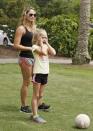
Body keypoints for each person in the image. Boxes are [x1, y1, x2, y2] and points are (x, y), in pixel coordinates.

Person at [13, 7, 50, 113]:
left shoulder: (34, 28)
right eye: (30, 14)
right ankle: (23, 106)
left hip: (34, 58)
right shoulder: (21, 28)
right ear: (25, 15)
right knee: (27, 82)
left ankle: (38, 104)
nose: (33, 16)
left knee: (36, 81)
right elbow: (15, 45)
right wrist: (29, 48)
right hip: (25, 58)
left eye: (34, 15)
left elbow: (37, 41)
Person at [31, 28, 56, 123]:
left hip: (45, 73)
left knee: (40, 95)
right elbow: (44, 53)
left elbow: (53, 53)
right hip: (38, 73)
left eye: (46, 37)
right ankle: (35, 116)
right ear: (37, 38)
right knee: (35, 95)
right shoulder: (34, 47)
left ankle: (34, 112)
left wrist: (47, 43)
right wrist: (41, 44)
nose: (44, 39)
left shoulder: (46, 46)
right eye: (42, 37)